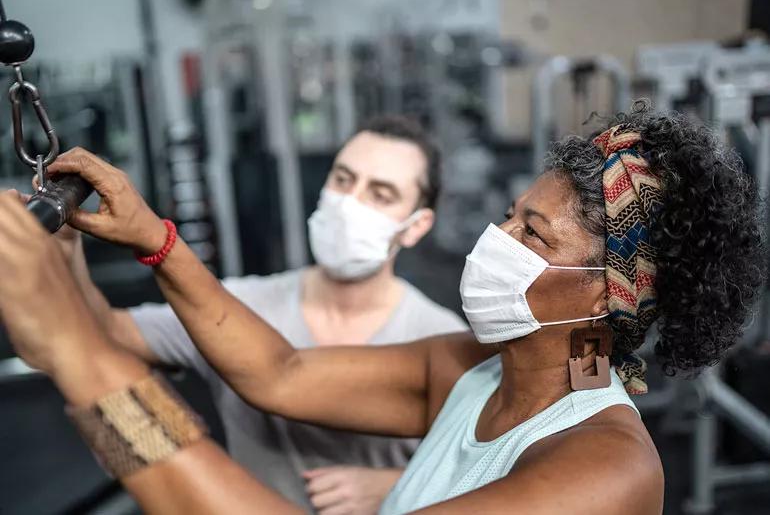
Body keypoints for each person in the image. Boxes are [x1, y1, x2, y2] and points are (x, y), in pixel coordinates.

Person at [0, 104, 764, 514]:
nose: (495, 240)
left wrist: (81, 356)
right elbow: (280, 370)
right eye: (508, 215)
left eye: (531, 233)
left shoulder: (606, 469)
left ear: (606, 291)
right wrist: (155, 239)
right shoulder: (470, 369)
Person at [59, 115, 468, 514]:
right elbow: (106, 329)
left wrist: (402, 485)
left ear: (416, 226)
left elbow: (493, 470)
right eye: (343, 180)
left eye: (381, 194)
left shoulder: (441, 340)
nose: (351, 203)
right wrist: (64, 242)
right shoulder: (233, 309)